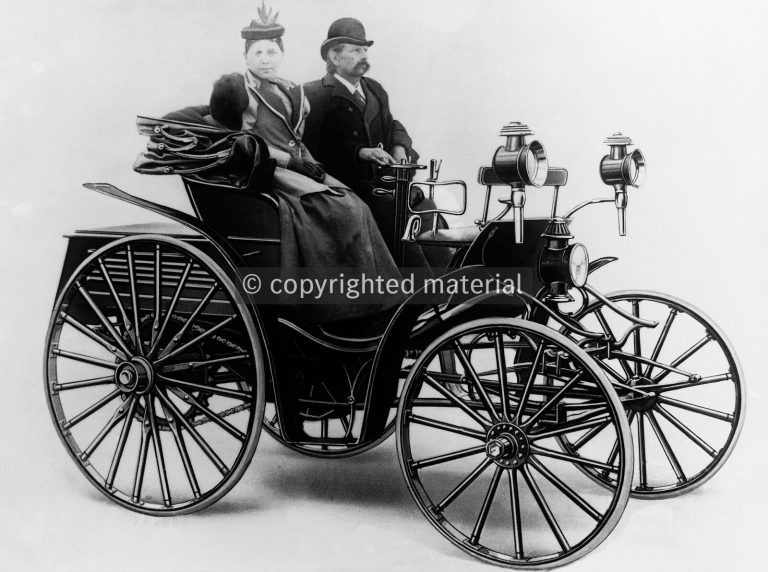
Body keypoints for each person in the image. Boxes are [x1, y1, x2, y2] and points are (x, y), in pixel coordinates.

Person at [142, 5, 403, 324]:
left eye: (271, 52)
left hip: (296, 166)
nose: (265, 59)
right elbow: (242, 140)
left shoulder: (288, 89)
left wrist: (311, 162)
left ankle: (371, 300)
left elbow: (296, 137)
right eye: (258, 53)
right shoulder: (239, 91)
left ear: (281, 54)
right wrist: (294, 161)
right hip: (267, 168)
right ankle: (333, 307)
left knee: (356, 203)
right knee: (344, 211)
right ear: (246, 57)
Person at [303, 18, 452, 269]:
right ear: (334, 57)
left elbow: (392, 125)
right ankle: (421, 289)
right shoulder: (315, 94)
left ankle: (448, 280)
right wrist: (359, 152)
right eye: (355, 50)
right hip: (347, 188)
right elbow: (313, 150)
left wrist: (399, 146)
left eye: (365, 50)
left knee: (424, 206)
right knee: (394, 212)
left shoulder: (374, 89)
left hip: (384, 184)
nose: (364, 56)